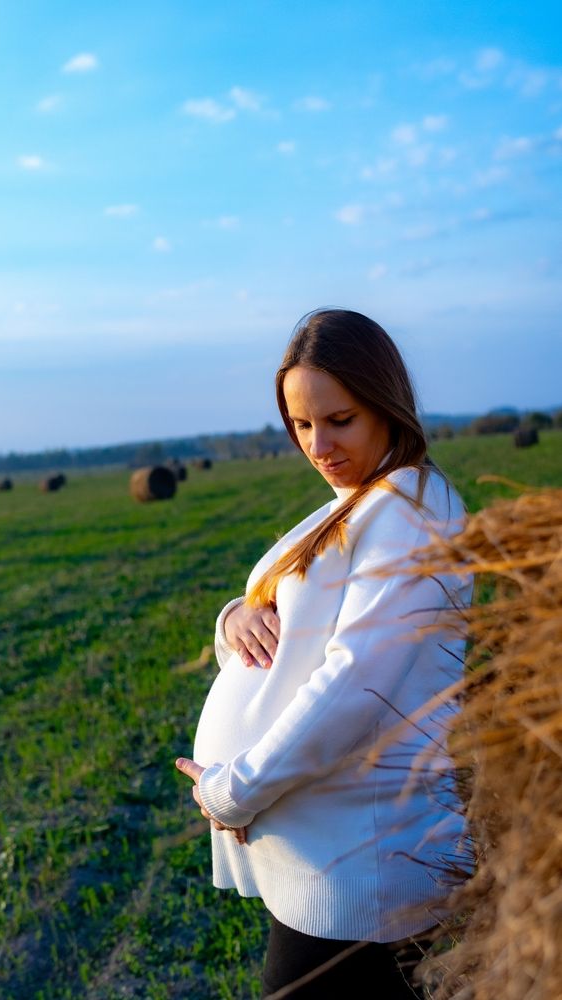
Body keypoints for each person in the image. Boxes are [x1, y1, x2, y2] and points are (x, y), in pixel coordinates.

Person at [176, 309, 472, 998]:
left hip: (362, 860)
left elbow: (352, 686)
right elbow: (295, 619)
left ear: (386, 405)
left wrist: (235, 789)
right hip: (337, 849)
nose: (319, 445)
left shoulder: (407, 512)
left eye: (339, 420)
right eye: (301, 425)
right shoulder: (364, 501)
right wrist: (236, 618)